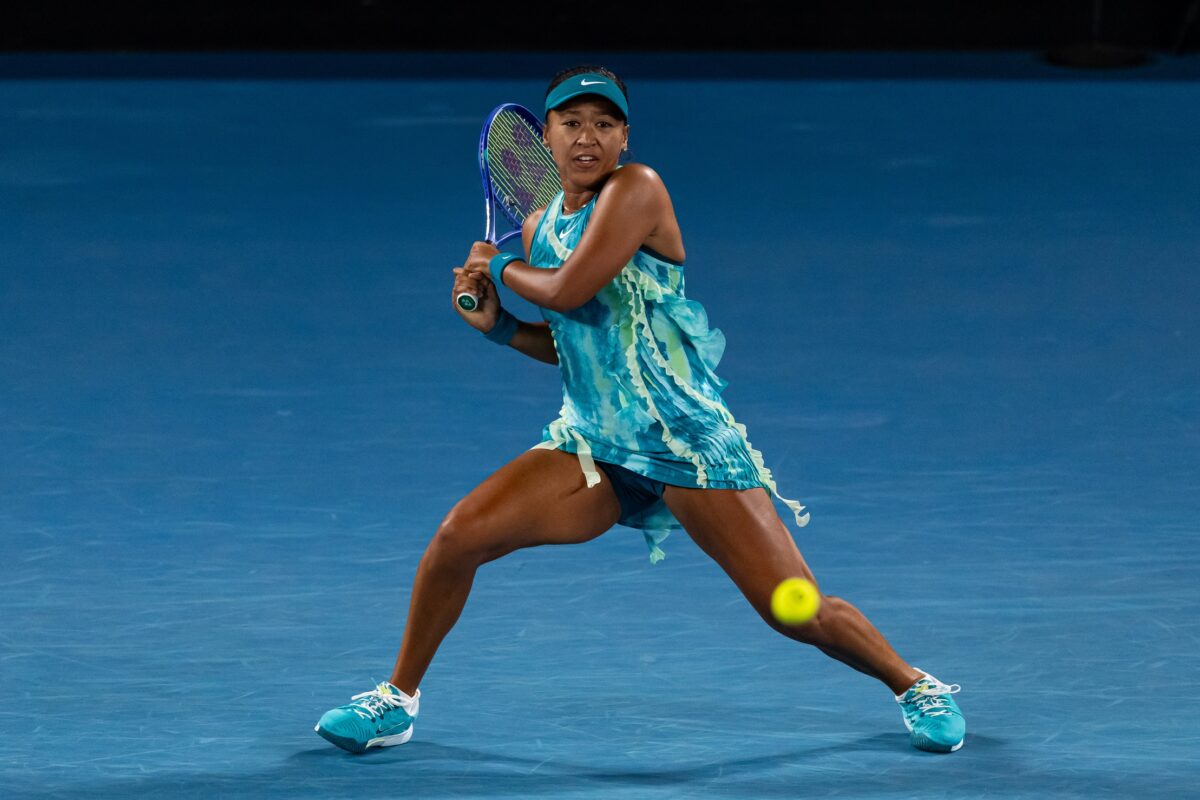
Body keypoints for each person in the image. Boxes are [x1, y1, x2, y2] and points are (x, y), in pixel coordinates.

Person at [314, 65, 965, 755]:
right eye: (570, 123)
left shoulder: (636, 190)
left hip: (686, 446)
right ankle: (398, 700)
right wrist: (502, 329)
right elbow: (576, 342)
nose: (586, 137)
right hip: (596, 446)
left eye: (603, 123)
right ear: (547, 137)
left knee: (793, 609)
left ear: (625, 137)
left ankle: (914, 683)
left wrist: (496, 269)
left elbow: (565, 291)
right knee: (457, 537)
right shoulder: (539, 225)